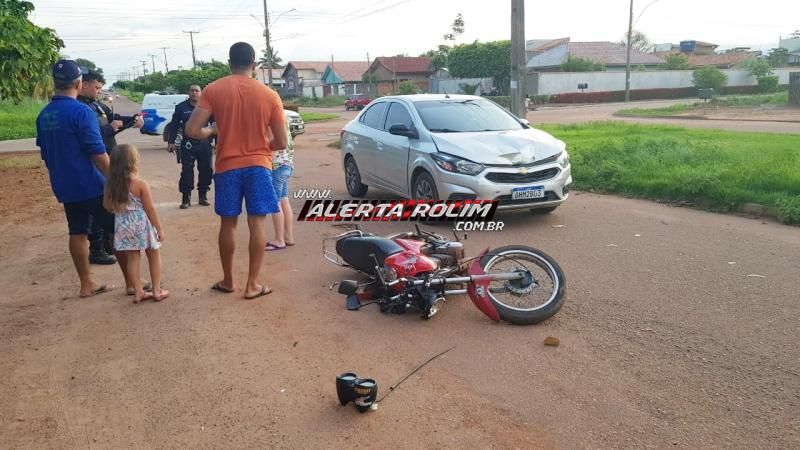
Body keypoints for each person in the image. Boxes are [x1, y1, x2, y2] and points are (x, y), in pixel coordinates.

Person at [185, 42, 288, 300]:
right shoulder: (269, 95)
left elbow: (192, 130)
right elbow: (282, 142)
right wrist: (264, 145)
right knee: (257, 223)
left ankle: (229, 280)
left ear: (229, 63)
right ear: (254, 65)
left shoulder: (214, 89)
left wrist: (213, 130)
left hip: (227, 166)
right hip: (258, 166)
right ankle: (252, 285)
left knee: (228, 224)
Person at [35, 60, 117, 298]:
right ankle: (133, 282)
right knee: (117, 229)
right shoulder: (81, 112)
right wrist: (117, 180)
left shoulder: (44, 115)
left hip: (65, 186)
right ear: (79, 83)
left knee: (77, 231)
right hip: (92, 185)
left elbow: (46, 153)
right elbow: (97, 153)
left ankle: (86, 284)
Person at [78, 70, 144, 265]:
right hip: (95, 161)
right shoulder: (80, 108)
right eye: (97, 87)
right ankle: (96, 248)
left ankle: (107, 243)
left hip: (110, 157)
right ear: (84, 84)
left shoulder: (96, 104)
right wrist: (111, 128)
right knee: (99, 203)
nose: (99, 91)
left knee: (111, 200)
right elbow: (92, 135)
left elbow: (114, 117)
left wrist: (133, 118)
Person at [104, 144, 169, 303]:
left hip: (123, 224)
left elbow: (106, 206)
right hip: (141, 223)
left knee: (132, 258)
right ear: (133, 162)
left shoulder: (110, 185)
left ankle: (138, 292)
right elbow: (150, 209)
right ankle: (156, 290)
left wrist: (120, 208)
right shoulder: (140, 184)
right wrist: (159, 229)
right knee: (153, 254)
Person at [167, 85, 214, 209]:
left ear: (201, 93)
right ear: (188, 92)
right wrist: (171, 142)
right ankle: (186, 198)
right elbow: (174, 125)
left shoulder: (208, 107)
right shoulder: (181, 107)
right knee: (187, 171)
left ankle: (202, 196)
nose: (194, 93)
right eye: (192, 90)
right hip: (187, 144)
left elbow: (215, 125)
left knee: (206, 170)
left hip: (204, 143)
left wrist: (218, 142)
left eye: (196, 91)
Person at [265, 120, 295, 251]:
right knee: (284, 200)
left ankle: (279, 239)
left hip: (276, 165)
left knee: (275, 203)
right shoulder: (283, 117)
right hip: (287, 164)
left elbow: (273, 142)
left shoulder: (271, 119)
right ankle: (288, 236)